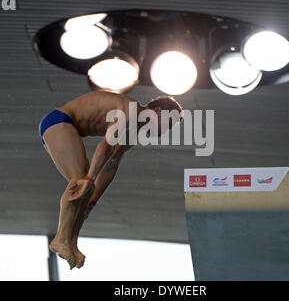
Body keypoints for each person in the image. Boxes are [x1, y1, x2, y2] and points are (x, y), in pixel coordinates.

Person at [39, 90, 183, 269]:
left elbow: (111, 164)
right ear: (158, 111)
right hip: (58, 121)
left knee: (86, 192)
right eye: (168, 124)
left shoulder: (133, 134)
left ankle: (71, 242)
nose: (166, 131)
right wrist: (90, 179)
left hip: (66, 128)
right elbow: (106, 146)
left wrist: (92, 200)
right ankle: (60, 239)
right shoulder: (132, 111)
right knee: (80, 180)